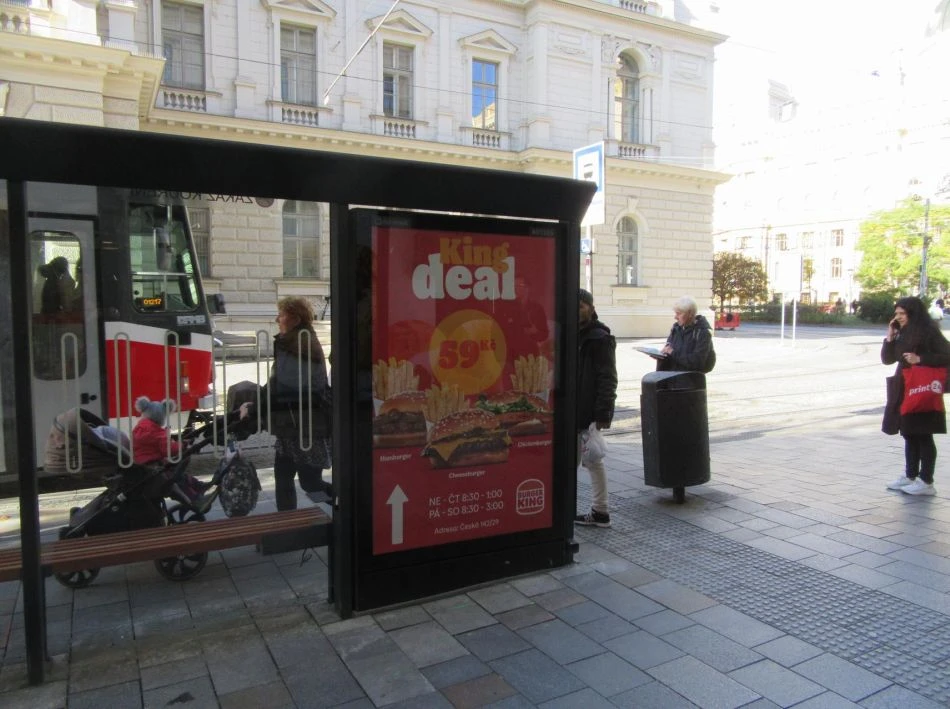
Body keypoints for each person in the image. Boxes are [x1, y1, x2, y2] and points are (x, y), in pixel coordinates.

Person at [243, 296, 332, 511]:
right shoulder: (295, 342)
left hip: (305, 427)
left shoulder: (299, 344)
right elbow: (278, 383)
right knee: (283, 476)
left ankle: (345, 508)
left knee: (310, 482)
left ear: (295, 319)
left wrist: (253, 409)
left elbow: (281, 386)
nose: (277, 319)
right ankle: (287, 521)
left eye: (281, 315)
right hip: (294, 425)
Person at [882, 296, 950, 496]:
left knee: (923, 434)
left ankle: (926, 481)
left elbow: (947, 355)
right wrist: (890, 338)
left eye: (902, 313)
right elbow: (887, 359)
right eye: (896, 313)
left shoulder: (928, 331)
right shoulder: (902, 332)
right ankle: (910, 475)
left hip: (922, 389)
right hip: (905, 387)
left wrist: (920, 358)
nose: (898, 317)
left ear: (913, 313)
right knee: (909, 432)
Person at [574, 289, 617, 528]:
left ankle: (601, 511)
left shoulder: (600, 338)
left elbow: (607, 378)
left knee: (592, 460)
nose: (577, 310)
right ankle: (569, 508)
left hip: (587, 410)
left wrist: (602, 414)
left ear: (590, 308)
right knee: (574, 460)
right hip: (572, 407)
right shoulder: (573, 333)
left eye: (581, 306)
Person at [132, 396, 210, 502]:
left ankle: (197, 485)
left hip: (144, 466)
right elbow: (169, 450)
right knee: (175, 477)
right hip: (154, 467)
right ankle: (195, 497)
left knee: (175, 471)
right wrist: (182, 445)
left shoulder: (138, 428)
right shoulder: (157, 432)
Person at [659, 296, 715, 372]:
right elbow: (669, 349)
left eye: (678, 314)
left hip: (690, 377)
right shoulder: (676, 328)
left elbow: (697, 362)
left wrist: (672, 352)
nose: (675, 317)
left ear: (690, 314)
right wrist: (661, 355)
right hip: (672, 375)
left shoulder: (702, 332)